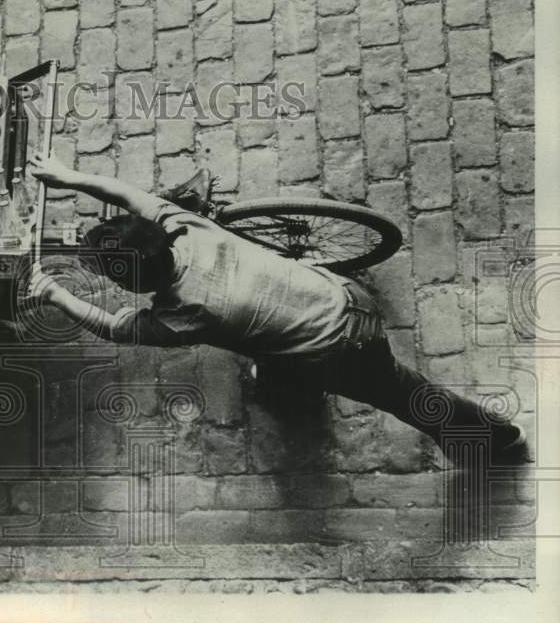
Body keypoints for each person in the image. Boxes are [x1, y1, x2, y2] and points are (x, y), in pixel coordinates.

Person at [26, 152, 530, 463]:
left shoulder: (184, 313)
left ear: (135, 284)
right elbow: (128, 193)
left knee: (399, 393)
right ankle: (291, 385)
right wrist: (67, 176)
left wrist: (53, 293)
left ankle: (492, 442)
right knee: (284, 358)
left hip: (339, 344)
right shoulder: (184, 225)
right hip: (339, 295)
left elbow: (114, 327)